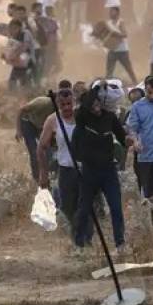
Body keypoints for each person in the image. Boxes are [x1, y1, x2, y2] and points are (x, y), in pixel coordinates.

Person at [71, 86, 127, 253]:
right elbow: (75, 147)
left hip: (109, 170)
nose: (96, 108)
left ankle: (120, 244)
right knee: (84, 208)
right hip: (89, 171)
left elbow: (122, 137)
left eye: (98, 103)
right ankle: (79, 244)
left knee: (116, 207)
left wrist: (131, 142)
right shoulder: (82, 119)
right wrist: (95, 89)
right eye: (92, 105)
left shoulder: (109, 117)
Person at [37, 87, 90, 243]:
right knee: (67, 207)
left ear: (74, 102)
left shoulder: (84, 117)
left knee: (85, 206)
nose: (67, 108)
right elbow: (41, 147)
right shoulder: (53, 120)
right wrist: (43, 174)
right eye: (62, 105)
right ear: (57, 104)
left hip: (86, 169)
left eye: (69, 104)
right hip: (66, 170)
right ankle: (77, 235)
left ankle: (84, 240)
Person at [104, 6, 138, 84]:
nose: (110, 13)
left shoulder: (120, 22)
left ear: (117, 13)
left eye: (112, 11)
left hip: (122, 50)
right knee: (109, 70)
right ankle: (107, 85)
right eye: (110, 11)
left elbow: (125, 34)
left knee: (128, 68)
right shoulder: (108, 23)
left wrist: (115, 34)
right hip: (112, 49)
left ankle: (136, 83)